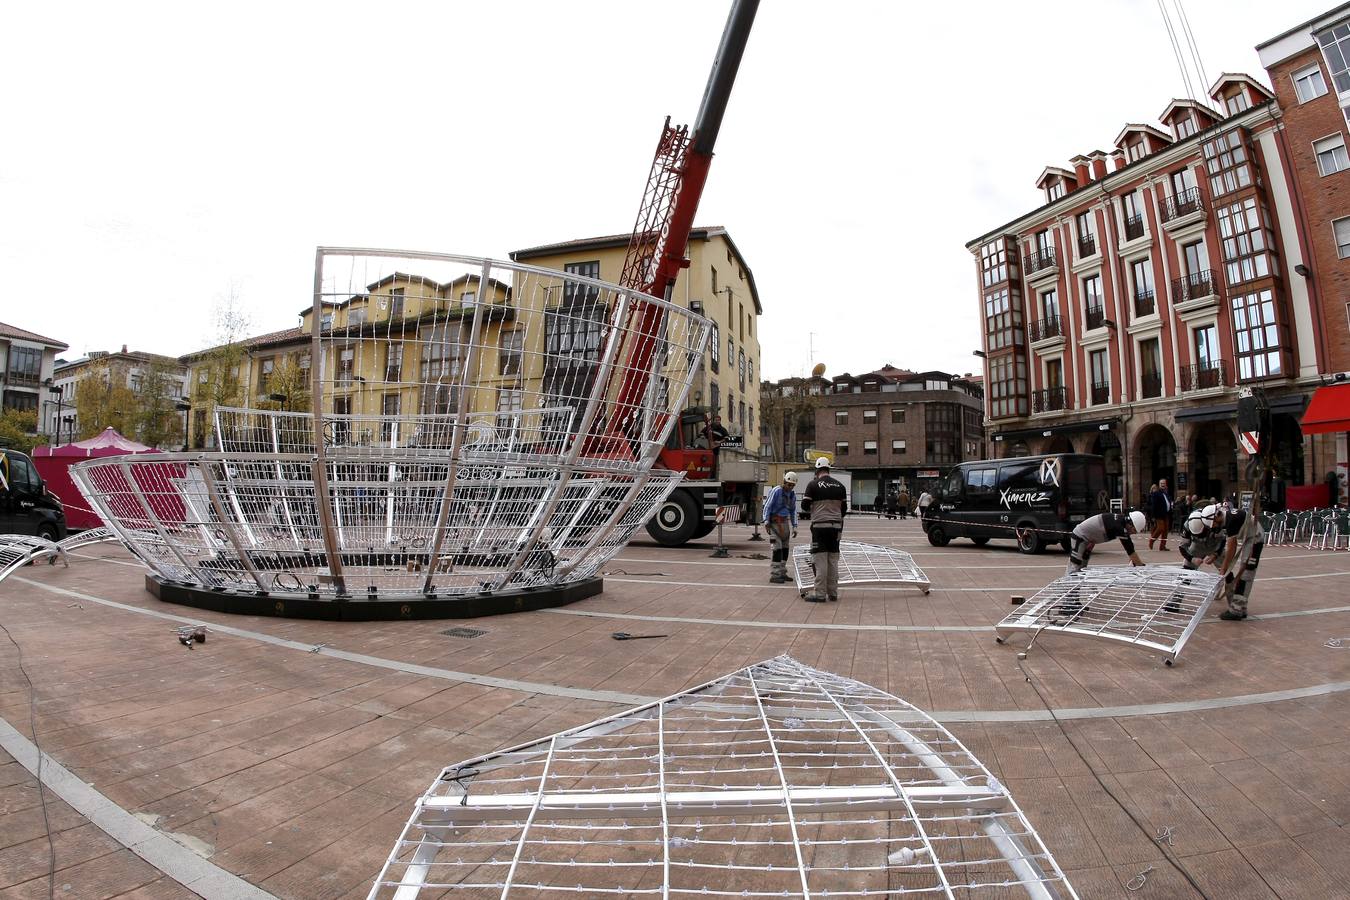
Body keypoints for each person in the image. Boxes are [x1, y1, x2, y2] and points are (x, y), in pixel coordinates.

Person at [1179, 503, 1265, 620]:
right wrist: (1193, 559)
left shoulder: (1230, 521)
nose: (1213, 527)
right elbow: (1182, 547)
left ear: (1216, 516)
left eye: (1213, 524)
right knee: (1187, 570)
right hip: (1249, 537)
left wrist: (1224, 568)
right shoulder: (1222, 520)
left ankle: (1236, 610)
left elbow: (1231, 548)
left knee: (1246, 573)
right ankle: (1240, 608)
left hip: (1255, 538)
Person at [800, 457, 848, 602]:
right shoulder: (840, 486)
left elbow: (804, 505)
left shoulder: (813, 485)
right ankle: (833, 592)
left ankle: (820, 594)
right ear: (828, 469)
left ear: (817, 469)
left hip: (819, 528)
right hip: (836, 528)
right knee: (833, 560)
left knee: (820, 560)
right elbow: (844, 509)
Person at [1065, 510, 1147, 575]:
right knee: (1075, 567)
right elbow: (1130, 550)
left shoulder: (1120, 521)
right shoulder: (1119, 527)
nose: (1133, 533)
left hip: (1087, 539)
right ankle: (1068, 593)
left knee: (1082, 569)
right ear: (1130, 524)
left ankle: (1073, 593)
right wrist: (1141, 566)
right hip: (1080, 537)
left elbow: (1130, 548)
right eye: (1134, 530)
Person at [761, 472, 799, 584]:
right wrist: (766, 521)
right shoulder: (776, 491)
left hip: (784, 525)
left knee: (785, 550)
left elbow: (793, 510)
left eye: (792, 485)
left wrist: (795, 526)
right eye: (789, 485)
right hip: (774, 524)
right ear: (784, 482)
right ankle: (775, 574)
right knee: (777, 549)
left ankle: (782, 572)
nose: (790, 487)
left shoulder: (792, 495)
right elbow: (767, 506)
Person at [1148, 478, 1173, 551]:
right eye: (1161, 483)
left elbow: (1168, 502)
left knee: (1165, 531)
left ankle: (1162, 546)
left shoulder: (1166, 493)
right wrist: (1153, 516)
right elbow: (1154, 505)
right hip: (1158, 514)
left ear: (1166, 484)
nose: (1162, 485)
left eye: (1164, 483)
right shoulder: (1156, 493)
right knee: (1160, 528)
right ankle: (1152, 540)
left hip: (1166, 514)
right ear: (1159, 485)